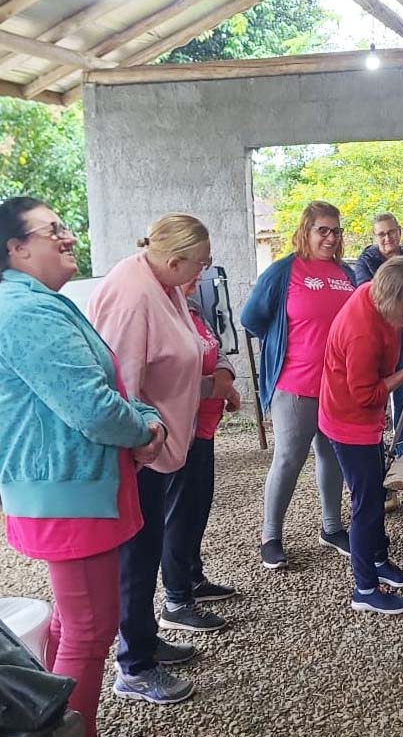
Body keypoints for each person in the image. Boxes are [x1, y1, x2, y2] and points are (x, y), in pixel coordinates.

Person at [0, 197, 166, 737]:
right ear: (16, 249)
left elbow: (106, 384)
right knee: (90, 629)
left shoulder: (41, 301)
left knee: (79, 623)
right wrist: (145, 429)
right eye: (53, 230)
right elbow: (93, 407)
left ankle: (52, 715)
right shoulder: (26, 311)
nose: (68, 236)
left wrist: (142, 416)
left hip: (71, 490)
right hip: (69, 495)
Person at [88, 213, 221, 705]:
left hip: (164, 441)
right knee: (138, 557)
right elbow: (119, 384)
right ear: (173, 260)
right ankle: (134, 667)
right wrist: (142, 441)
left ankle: (143, 639)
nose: (203, 275)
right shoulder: (133, 295)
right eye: (199, 265)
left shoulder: (162, 283)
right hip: (141, 449)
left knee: (150, 546)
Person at [319, 256, 403, 614]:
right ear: (395, 300)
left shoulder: (372, 293)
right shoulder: (361, 331)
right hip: (350, 422)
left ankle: (379, 560)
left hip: (363, 420)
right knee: (367, 503)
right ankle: (363, 589)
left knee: (376, 490)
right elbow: (366, 396)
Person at [240, 201, 355, 571]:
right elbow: (252, 318)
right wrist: (282, 343)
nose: (330, 236)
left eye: (335, 230)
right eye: (323, 229)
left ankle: (332, 527)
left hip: (337, 385)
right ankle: (270, 536)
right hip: (295, 383)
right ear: (305, 231)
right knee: (289, 457)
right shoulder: (283, 271)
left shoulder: (345, 273)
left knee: (331, 454)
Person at [162, 271, 242, 603]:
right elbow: (166, 379)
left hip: (205, 425)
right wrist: (215, 386)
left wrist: (226, 377)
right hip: (181, 429)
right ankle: (176, 598)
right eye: (193, 265)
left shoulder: (190, 305)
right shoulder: (161, 310)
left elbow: (216, 347)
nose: (200, 273)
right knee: (179, 513)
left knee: (197, 506)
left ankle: (193, 577)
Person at [354, 213, 403, 458]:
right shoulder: (366, 259)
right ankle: (376, 452)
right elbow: (370, 296)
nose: (387, 237)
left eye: (391, 232)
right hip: (376, 338)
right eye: (381, 234)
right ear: (374, 236)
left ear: (399, 232)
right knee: (373, 398)